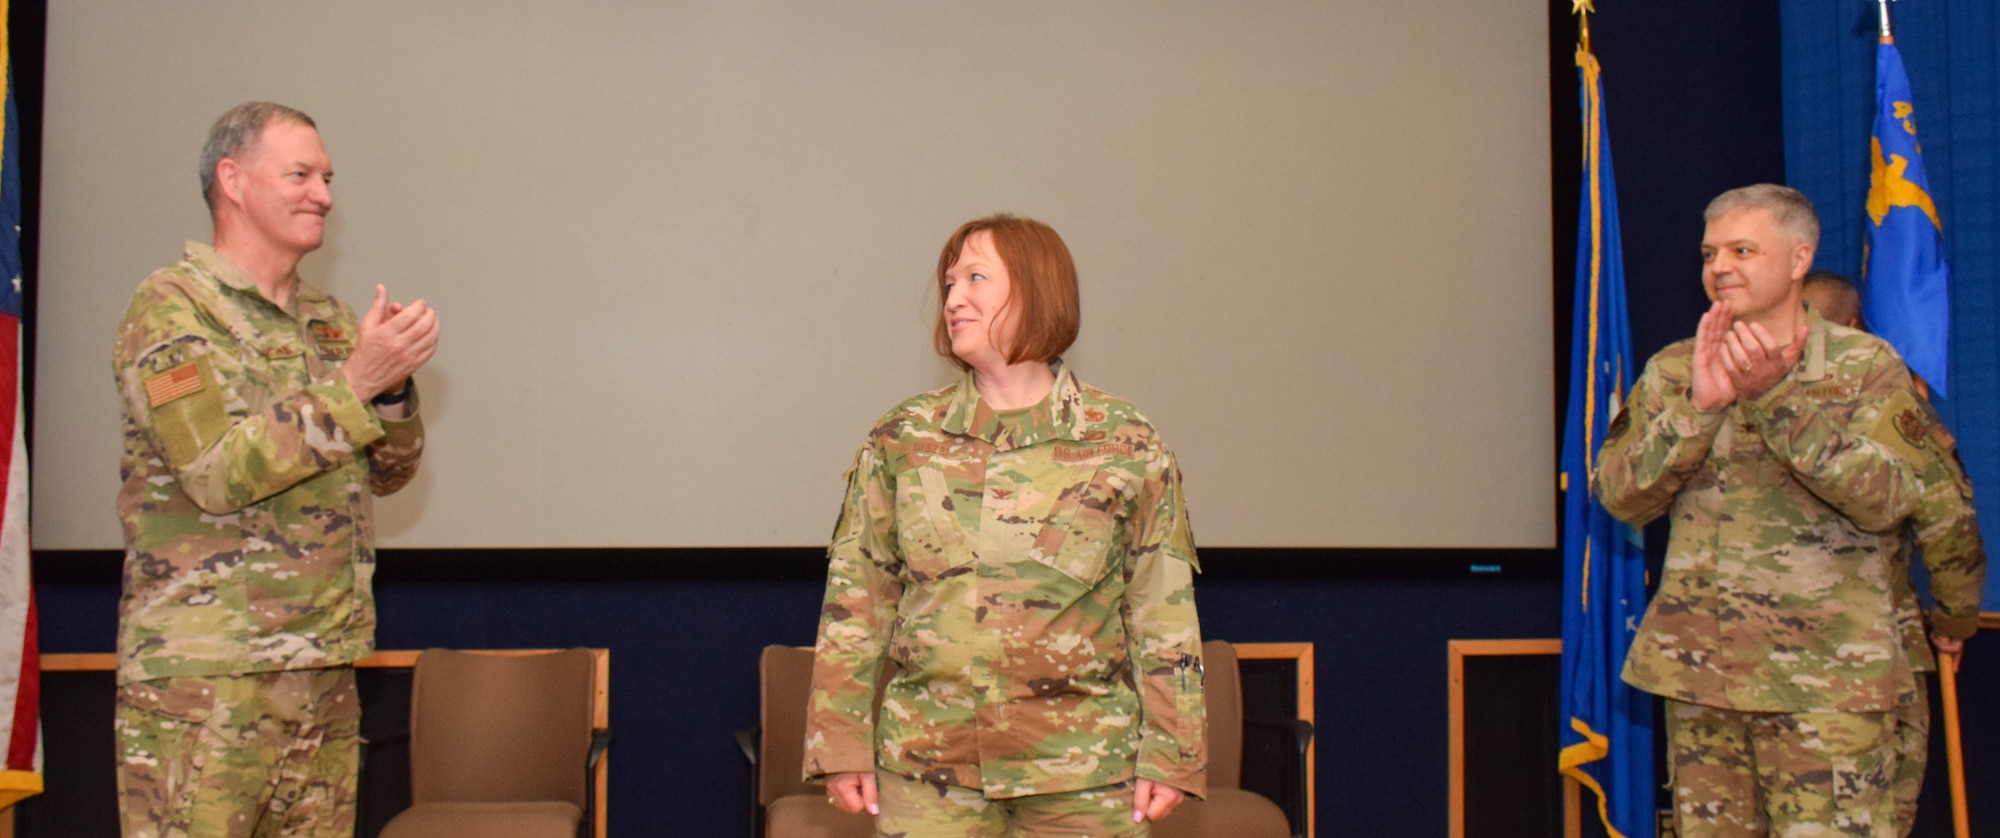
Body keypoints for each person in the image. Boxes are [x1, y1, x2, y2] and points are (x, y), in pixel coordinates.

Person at [804, 214, 1205, 836]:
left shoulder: (1126, 441)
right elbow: (859, 601)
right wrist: (839, 742)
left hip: (1084, 773)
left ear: (1037, 289)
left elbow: (1162, 609)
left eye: (975, 277)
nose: (953, 298)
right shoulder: (902, 439)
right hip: (929, 771)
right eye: (948, 283)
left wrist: (1174, 753)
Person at [112, 102, 439, 837]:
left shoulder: (329, 321)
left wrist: (387, 387)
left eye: (327, 177)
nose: (323, 193)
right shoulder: (172, 310)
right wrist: (353, 384)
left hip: (322, 674)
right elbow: (213, 472)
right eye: (300, 173)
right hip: (208, 681)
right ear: (232, 179)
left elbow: (388, 473)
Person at [1593, 184, 1956, 837]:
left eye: (1741, 250)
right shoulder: (1676, 370)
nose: (1719, 267)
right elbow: (1621, 498)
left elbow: (1893, 499)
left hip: (1828, 687)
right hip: (1703, 680)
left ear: (1797, 260)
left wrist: (1778, 399)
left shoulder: (1867, 368)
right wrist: (1699, 411)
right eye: (1709, 253)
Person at [1798, 270, 1985, 836]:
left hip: (1729, 664)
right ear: (1855, 325)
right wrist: (1954, 619)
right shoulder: (1881, 390)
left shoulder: (1721, 380)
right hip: (1865, 659)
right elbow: (1945, 515)